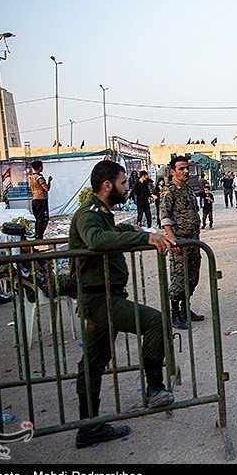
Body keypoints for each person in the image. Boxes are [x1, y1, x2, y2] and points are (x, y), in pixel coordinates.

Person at [69, 160, 176, 449]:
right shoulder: (89, 214)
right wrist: (144, 236)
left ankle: (87, 426)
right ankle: (154, 388)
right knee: (156, 322)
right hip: (100, 299)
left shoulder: (102, 213)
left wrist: (133, 229)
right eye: (123, 183)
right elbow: (97, 239)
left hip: (105, 296)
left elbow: (110, 231)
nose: (127, 188)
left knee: (93, 362)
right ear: (107, 186)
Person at [160, 155, 205, 330]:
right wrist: (172, 238)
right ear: (173, 172)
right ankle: (175, 314)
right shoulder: (169, 190)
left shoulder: (187, 189)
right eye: (181, 168)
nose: (185, 171)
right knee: (179, 279)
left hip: (193, 241)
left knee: (192, 277)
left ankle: (186, 309)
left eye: (186, 168)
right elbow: (165, 216)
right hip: (180, 243)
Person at [29, 160, 52, 239]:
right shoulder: (39, 177)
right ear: (39, 167)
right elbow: (46, 188)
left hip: (35, 199)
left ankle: (37, 234)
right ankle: (39, 235)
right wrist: (49, 182)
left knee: (38, 218)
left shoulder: (32, 177)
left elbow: (32, 189)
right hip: (41, 199)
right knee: (43, 218)